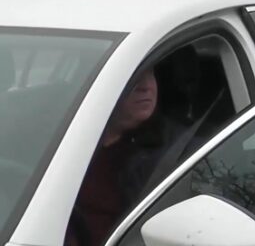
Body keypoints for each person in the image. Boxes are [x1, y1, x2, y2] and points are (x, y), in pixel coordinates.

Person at [67, 68, 182, 246]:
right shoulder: (68, 140)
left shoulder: (173, 151)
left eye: (150, 74)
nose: (145, 87)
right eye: (134, 76)